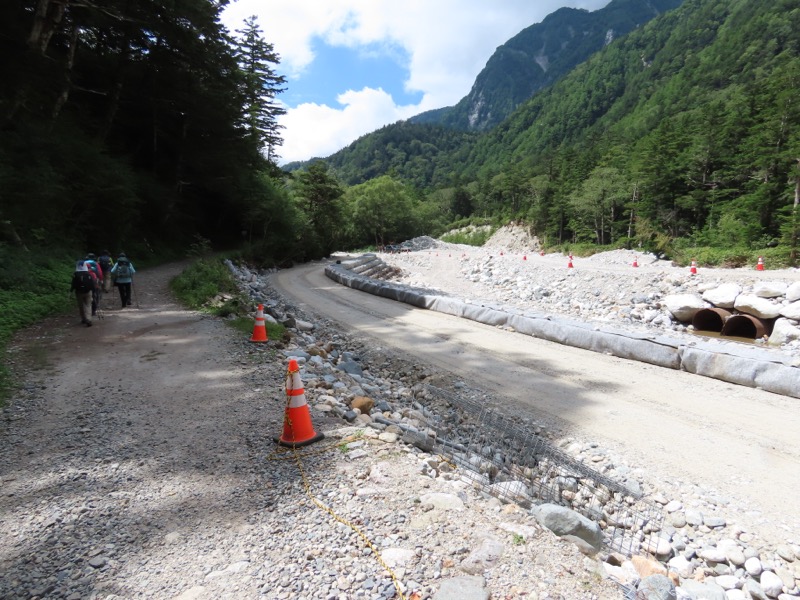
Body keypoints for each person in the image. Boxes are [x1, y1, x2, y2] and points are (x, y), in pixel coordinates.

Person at [69, 260, 94, 327]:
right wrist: (93, 291)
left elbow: (73, 284)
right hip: (88, 291)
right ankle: (89, 319)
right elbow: (92, 283)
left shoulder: (75, 274)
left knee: (81, 305)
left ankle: (83, 319)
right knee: (88, 305)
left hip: (79, 292)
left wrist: (71, 291)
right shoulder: (88, 273)